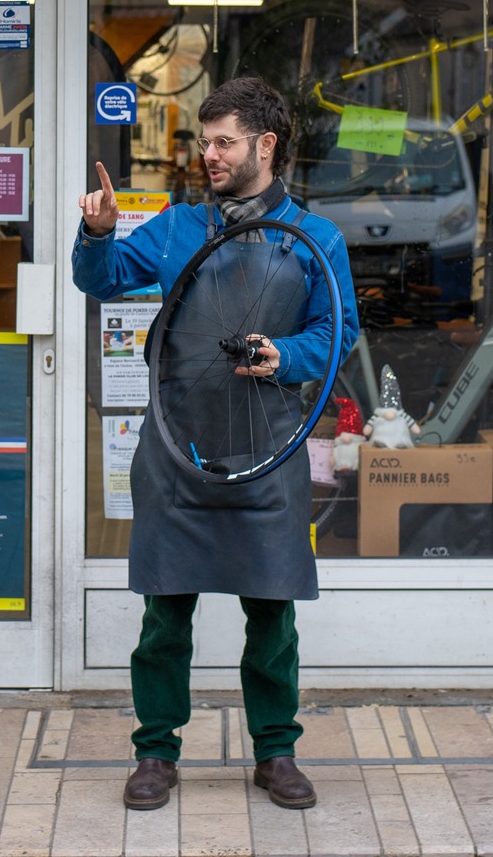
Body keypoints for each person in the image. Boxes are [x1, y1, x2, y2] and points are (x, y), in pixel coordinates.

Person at [73, 76, 357, 813]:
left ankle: (276, 752)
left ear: (265, 145)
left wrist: (286, 357)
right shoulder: (174, 227)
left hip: (269, 449)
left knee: (273, 615)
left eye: (223, 141)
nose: (209, 154)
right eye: (204, 142)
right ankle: (156, 754)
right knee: (165, 617)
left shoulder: (316, 239)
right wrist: (98, 233)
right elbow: (98, 280)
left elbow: (339, 333)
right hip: (177, 451)